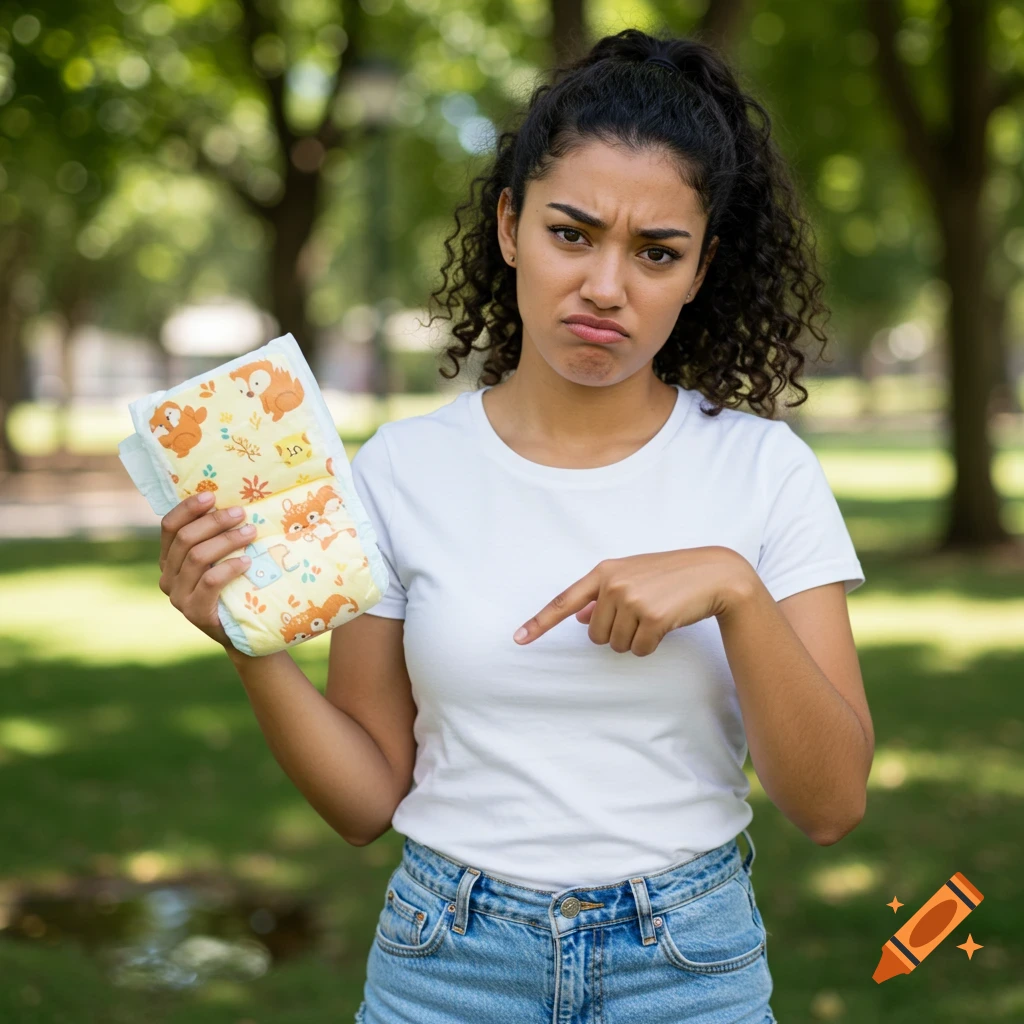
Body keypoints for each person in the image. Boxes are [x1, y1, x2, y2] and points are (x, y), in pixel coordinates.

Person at [158, 27, 872, 1024]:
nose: (605, 286)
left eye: (656, 252)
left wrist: (733, 590)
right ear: (508, 225)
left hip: (688, 972)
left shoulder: (761, 473)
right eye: (570, 233)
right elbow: (368, 801)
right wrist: (250, 646)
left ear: (701, 268)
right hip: (445, 964)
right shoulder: (404, 471)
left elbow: (831, 804)